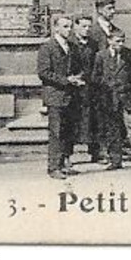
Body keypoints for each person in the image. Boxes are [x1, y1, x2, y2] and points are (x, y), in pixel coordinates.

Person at [92, 28, 131, 170]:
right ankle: (115, 160)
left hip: (127, 97)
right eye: (117, 41)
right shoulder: (100, 56)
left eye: (122, 41)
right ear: (109, 41)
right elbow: (95, 78)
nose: (120, 44)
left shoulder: (130, 54)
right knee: (112, 130)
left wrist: (125, 86)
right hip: (109, 98)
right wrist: (108, 87)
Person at [36, 13, 84, 179]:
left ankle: (65, 163)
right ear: (55, 27)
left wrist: (78, 78)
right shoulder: (47, 47)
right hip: (55, 96)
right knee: (56, 132)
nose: (69, 30)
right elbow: (43, 73)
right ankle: (53, 167)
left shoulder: (72, 47)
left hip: (71, 96)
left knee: (69, 131)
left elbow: (78, 68)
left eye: (70, 26)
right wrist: (66, 80)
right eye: (65, 26)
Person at [86, 0, 120, 163]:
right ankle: (97, 151)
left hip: (113, 83)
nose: (112, 12)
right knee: (97, 117)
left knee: (112, 117)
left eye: (113, 8)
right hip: (97, 82)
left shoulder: (115, 30)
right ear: (100, 9)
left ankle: (113, 148)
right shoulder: (92, 31)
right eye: (109, 8)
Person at [70, 13, 99, 165]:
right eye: (83, 26)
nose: (87, 29)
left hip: (91, 88)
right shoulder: (69, 43)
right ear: (76, 26)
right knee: (72, 122)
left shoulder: (93, 44)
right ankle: (67, 156)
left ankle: (95, 153)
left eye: (89, 27)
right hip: (73, 89)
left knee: (93, 120)